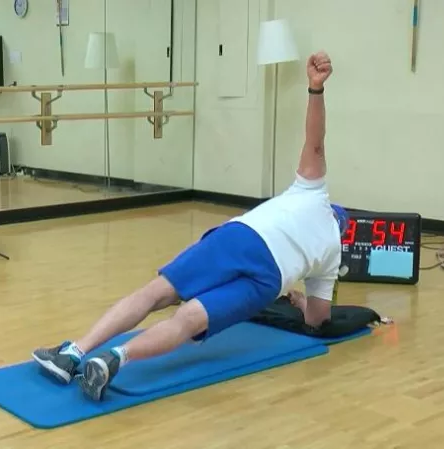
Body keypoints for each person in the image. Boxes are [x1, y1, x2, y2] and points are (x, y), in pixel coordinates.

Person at [31, 51, 346, 402]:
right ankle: (114, 360)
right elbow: (318, 321)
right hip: (269, 281)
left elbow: (315, 141)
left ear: (333, 210)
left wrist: (315, 90)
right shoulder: (332, 256)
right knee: (187, 321)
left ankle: (72, 353)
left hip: (243, 240)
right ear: (342, 229)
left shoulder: (313, 192)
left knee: (154, 294)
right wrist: (301, 303)